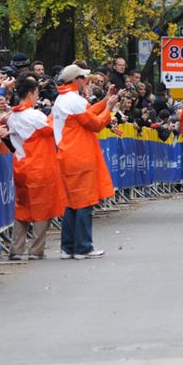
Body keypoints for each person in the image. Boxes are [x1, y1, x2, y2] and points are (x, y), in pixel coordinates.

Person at [52, 64, 116, 260]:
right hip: (79, 155)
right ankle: (83, 247)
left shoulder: (63, 98)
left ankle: (68, 247)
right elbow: (94, 124)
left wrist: (104, 102)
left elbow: (86, 115)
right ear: (76, 80)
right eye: (83, 78)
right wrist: (109, 109)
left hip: (67, 154)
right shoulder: (74, 100)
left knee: (72, 203)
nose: (86, 82)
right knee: (84, 203)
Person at [7, 78, 65, 260]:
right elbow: (53, 128)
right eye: (37, 93)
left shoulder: (12, 116)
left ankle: (16, 249)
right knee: (41, 208)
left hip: (20, 165)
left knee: (22, 207)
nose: (38, 96)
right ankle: (36, 249)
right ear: (31, 93)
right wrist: (57, 111)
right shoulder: (34, 116)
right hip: (38, 167)